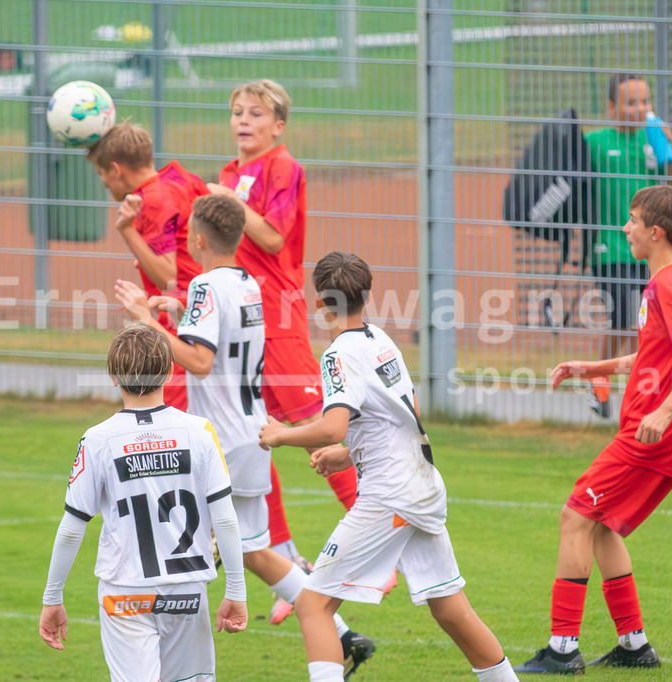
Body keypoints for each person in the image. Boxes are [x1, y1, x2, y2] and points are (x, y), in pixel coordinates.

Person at [115, 194, 376, 679]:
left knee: (176, 548)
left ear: (196, 238)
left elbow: (199, 361)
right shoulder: (247, 282)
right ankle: (341, 635)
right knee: (255, 552)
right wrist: (179, 308)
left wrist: (146, 320)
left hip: (219, 442)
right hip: (252, 431)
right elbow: (225, 334)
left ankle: (171, 663)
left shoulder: (205, 287)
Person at [259, 252, 518, 682]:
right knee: (450, 607)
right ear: (367, 295)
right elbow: (407, 410)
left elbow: (333, 426)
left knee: (312, 604)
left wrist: (281, 435)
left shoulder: (338, 354)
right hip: (422, 486)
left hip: (390, 495)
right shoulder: (380, 338)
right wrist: (348, 454)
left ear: (319, 302)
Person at [514, 186, 672, 675]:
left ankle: (562, 649)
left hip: (660, 430)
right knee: (602, 525)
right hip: (667, 428)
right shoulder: (668, 282)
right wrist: (592, 368)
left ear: (656, 232)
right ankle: (633, 645)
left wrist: (664, 412)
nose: (625, 228)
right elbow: (653, 354)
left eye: (632, 220)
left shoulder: (669, 285)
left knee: (575, 516)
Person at [208, 79, 363, 622]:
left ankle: (375, 526)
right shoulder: (230, 173)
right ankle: (286, 557)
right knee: (258, 434)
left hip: (277, 317)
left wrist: (227, 201)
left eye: (255, 113)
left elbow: (274, 238)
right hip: (242, 320)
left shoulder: (283, 167)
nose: (243, 120)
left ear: (278, 125)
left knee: (318, 422)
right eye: (237, 112)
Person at [38, 323, 248, 682]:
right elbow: (226, 520)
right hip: (187, 589)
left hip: (125, 593)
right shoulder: (200, 431)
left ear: (113, 377)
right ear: (170, 371)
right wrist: (236, 590)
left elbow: (73, 528)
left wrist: (52, 596)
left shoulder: (97, 439)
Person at [584, 74, 672, 419]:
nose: (641, 109)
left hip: (648, 251)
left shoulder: (652, 140)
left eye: (645, 101)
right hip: (610, 248)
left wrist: (668, 150)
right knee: (625, 319)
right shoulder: (594, 143)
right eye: (631, 103)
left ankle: (640, 388)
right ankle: (604, 380)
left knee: (641, 323)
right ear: (611, 107)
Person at [88, 121, 207, 409]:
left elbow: (168, 276)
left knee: (171, 420)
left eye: (102, 173)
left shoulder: (151, 200)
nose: (103, 182)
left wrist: (127, 229)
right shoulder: (182, 179)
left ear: (116, 169)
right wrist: (145, 258)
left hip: (180, 316)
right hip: (205, 307)